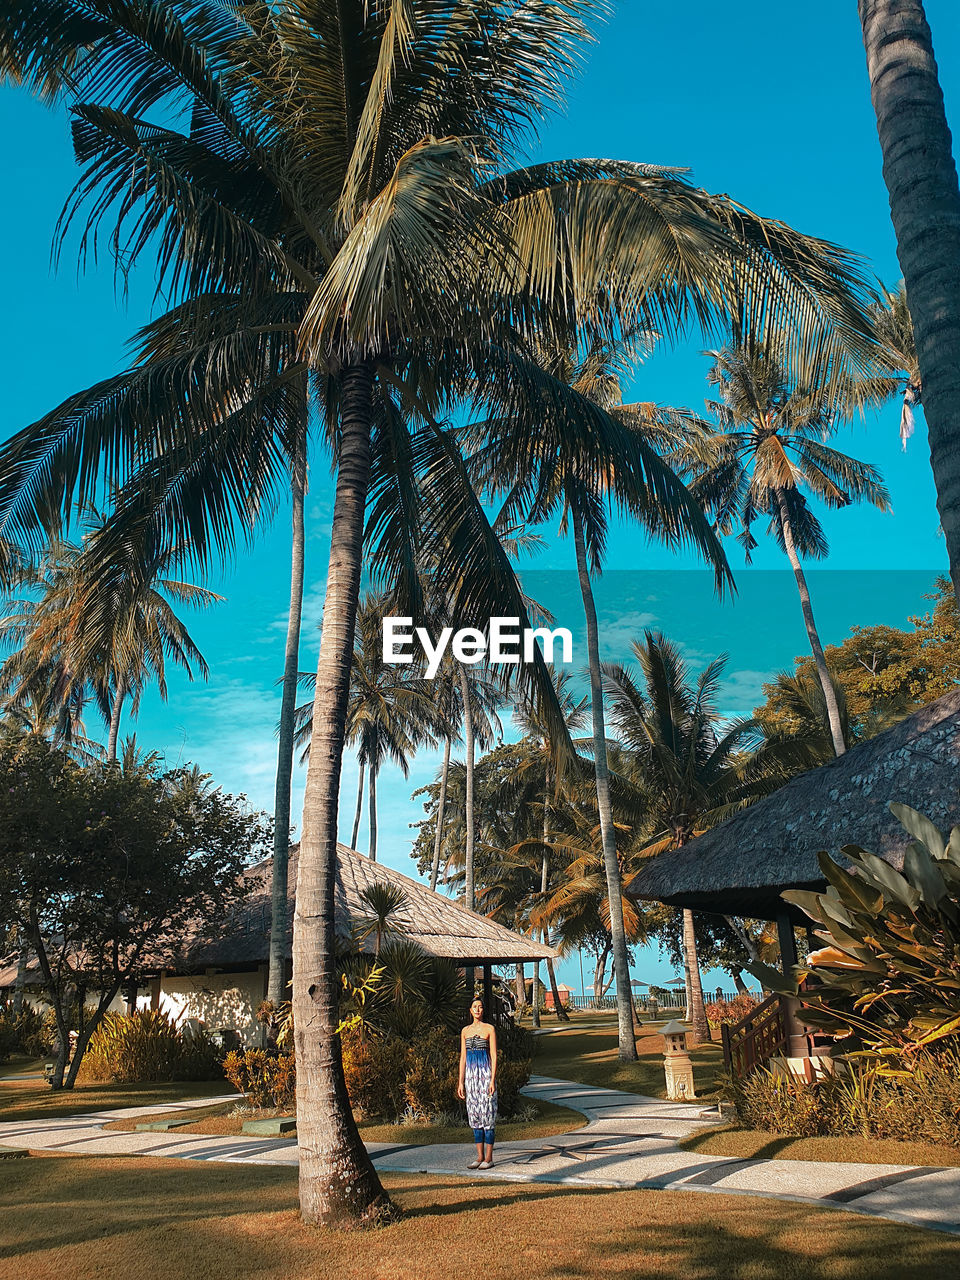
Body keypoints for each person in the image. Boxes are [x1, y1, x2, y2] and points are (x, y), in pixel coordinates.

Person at [457, 996, 498, 1169]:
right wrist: (460, 1082)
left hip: (485, 1076)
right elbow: (463, 1057)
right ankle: (479, 1156)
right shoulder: (465, 1031)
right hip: (470, 1078)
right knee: (474, 1115)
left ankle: (489, 1158)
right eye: (475, 1007)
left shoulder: (489, 1029)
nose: (478, 1009)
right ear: (470, 1010)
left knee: (488, 1115)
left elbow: (494, 1055)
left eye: (480, 1006)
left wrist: (492, 1079)